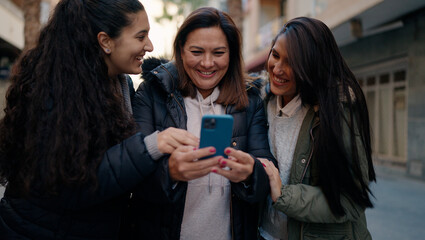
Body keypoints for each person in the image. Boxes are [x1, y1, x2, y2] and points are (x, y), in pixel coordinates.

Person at [0, 0, 161, 239]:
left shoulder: (120, 84)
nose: (149, 46)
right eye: (140, 37)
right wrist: (151, 148)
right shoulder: (58, 92)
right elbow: (74, 184)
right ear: (105, 41)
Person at [125, 7, 276, 240]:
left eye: (218, 53)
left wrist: (251, 173)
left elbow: (266, 180)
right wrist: (171, 173)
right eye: (196, 51)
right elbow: (132, 174)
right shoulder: (152, 92)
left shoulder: (251, 100)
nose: (207, 63)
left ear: (232, 55)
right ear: (181, 51)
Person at [257, 17, 376, 240]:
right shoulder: (260, 100)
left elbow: (350, 201)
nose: (278, 68)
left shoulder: (337, 112)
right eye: (275, 55)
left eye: (292, 62)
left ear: (312, 66)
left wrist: (283, 195)